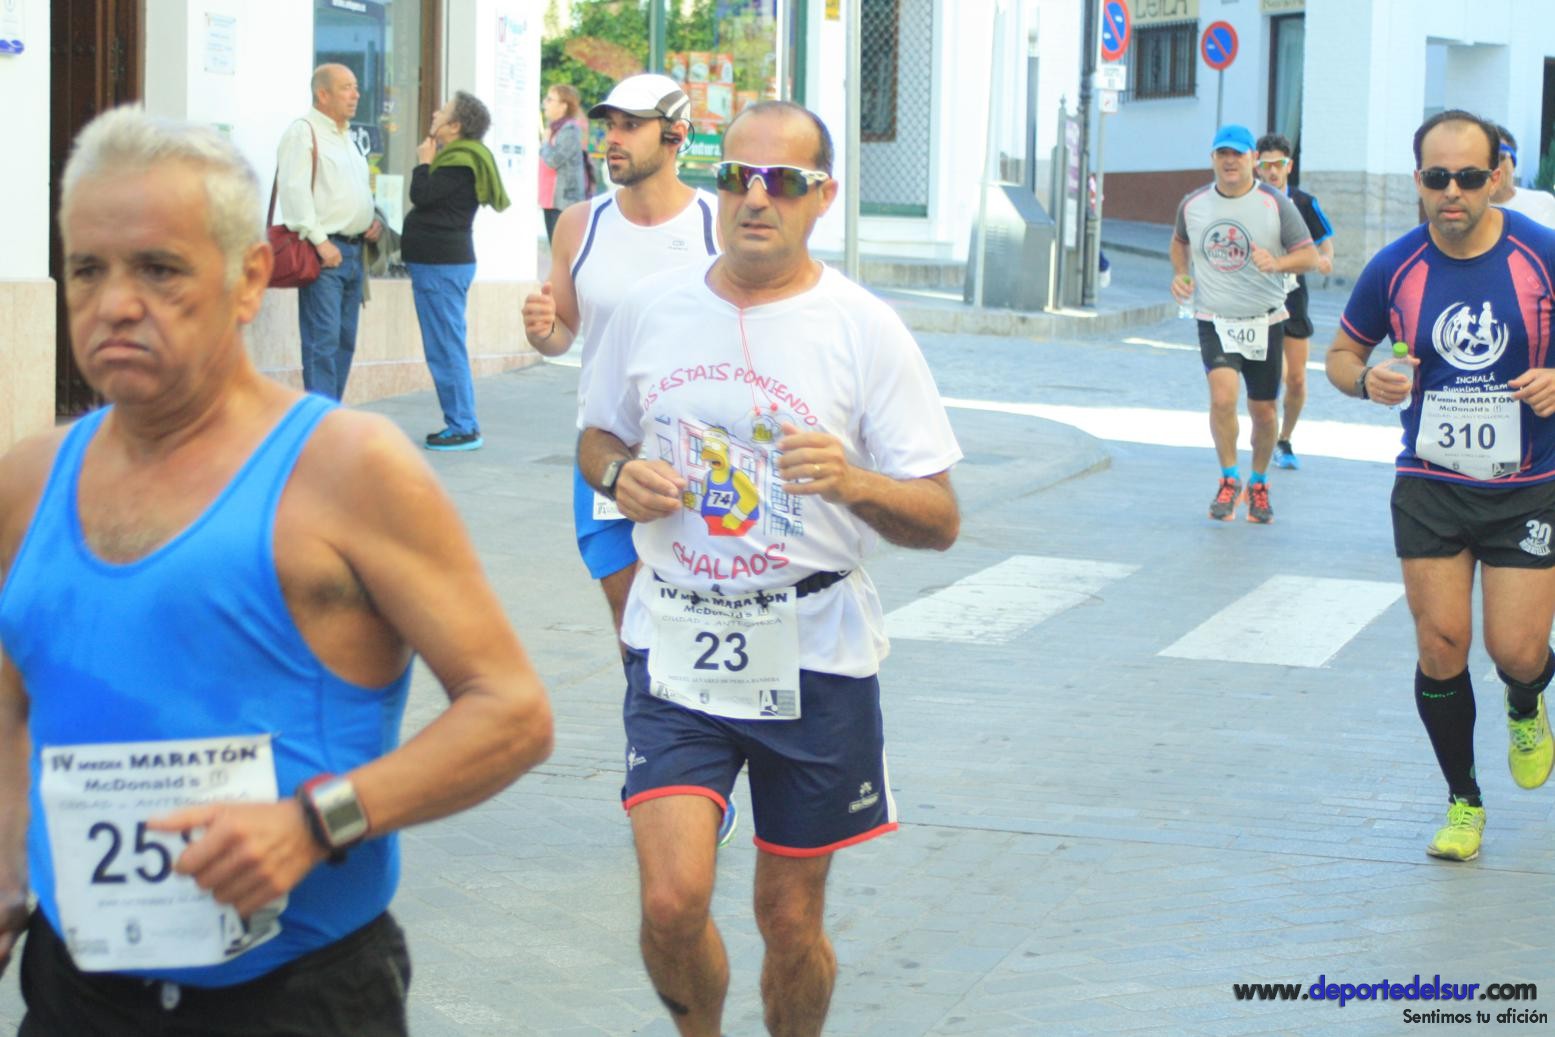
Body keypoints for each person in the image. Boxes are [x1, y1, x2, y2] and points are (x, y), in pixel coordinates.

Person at [0, 108, 554, 1034]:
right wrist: (8, 865)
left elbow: (513, 712)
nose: (115, 303)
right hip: (76, 988)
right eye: (88, 269)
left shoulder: (348, 470)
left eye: (159, 269)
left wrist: (314, 822)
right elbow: (12, 701)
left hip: (297, 994)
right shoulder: (28, 480)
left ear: (250, 277)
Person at [579, 100, 962, 1037]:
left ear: (820, 197)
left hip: (814, 651)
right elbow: (595, 438)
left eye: (782, 181)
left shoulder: (864, 327)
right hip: (678, 636)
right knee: (671, 900)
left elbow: (940, 517)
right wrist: (620, 475)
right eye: (736, 177)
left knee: (787, 918)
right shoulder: (649, 308)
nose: (755, 198)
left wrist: (854, 480)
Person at [1326, 108, 1555, 863]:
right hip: (1430, 482)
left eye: (1467, 176)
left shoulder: (1542, 255)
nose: (1451, 191)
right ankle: (1463, 800)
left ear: (1496, 177)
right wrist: (1367, 379)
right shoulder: (1394, 268)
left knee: (1516, 650)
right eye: (1435, 177)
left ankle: (1525, 698)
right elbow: (1340, 354)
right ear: (1417, 181)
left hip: (1528, 484)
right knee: (1441, 644)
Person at [522, 73, 719, 641]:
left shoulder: (717, 226)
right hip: (606, 449)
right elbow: (562, 334)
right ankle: (643, 705)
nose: (613, 137)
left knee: (699, 613)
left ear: (675, 135)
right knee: (631, 618)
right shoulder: (580, 224)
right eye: (611, 124)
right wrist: (543, 331)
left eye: (632, 126)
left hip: (701, 455)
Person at [1170, 124, 1319, 524]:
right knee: (1222, 399)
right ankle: (1229, 477)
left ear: (1253, 159)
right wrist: (1181, 274)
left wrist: (1278, 263)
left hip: (1264, 319)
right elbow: (1180, 241)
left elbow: (1310, 257)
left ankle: (1259, 481)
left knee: (1264, 411)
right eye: (1223, 154)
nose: (1230, 161)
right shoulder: (1193, 204)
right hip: (1214, 318)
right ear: (1213, 159)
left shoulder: (1275, 203)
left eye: (1238, 154)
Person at [404, 90, 511, 452]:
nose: (435, 112)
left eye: (444, 111)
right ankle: (462, 422)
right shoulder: (462, 158)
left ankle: (463, 426)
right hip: (443, 265)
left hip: (440, 266)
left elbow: (422, 195)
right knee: (447, 345)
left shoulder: (458, 162)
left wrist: (423, 163)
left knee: (445, 348)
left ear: (454, 126)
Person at [276, 63, 382, 401]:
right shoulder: (303, 132)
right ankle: (320, 419)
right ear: (322, 94)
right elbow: (294, 193)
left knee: (344, 341)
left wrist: (371, 220)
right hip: (325, 255)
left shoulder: (347, 136)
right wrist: (321, 244)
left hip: (354, 252)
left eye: (356, 87)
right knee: (322, 342)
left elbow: (351, 191)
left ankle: (331, 413)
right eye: (346, 88)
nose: (356, 94)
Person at [1254, 133, 1336, 471]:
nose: (1273, 171)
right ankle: (1266, 434)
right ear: (1257, 167)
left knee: (1297, 380)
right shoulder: (1249, 201)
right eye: (1266, 165)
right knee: (1278, 373)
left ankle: (1284, 439)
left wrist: (1325, 259)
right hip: (1259, 297)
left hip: (1294, 296)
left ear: (1289, 166)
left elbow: (1325, 242)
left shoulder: (1303, 202)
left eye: (1279, 164)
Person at [539, 84, 588, 242]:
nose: (545, 103)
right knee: (554, 246)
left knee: (562, 248)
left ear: (563, 106)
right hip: (550, 200)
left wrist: (545, 143)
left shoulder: (570, 130)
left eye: (550, 100)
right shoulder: (555, 129)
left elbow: (554, 160)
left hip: (564, 202)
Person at [1490, 124, 1555, 229]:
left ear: (1513, 164)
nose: (1493, 167)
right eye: (1485, 159)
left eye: (1499, 157)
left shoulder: (1544, 203)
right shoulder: (1471, 212)